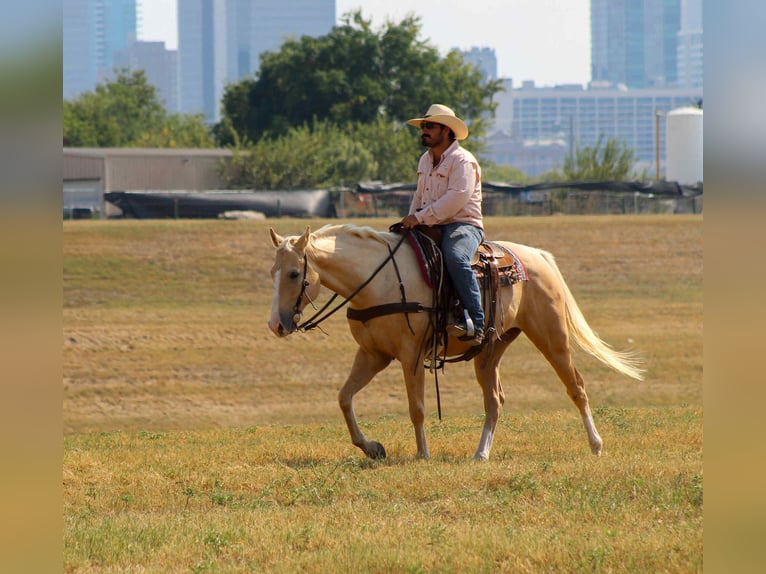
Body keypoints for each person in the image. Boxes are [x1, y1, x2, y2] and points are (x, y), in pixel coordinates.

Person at [398, 104, 485, 346]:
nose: (424, 130)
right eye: (423, 126)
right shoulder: (425, 160)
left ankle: (477, 323)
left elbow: (457, 198)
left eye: (429, 126)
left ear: (446, 131)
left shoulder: (463, 161)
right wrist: (410, 218)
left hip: (463, 225)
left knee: (455, 257)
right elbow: (419, 195)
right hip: (430, 223)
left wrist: (420, 218)